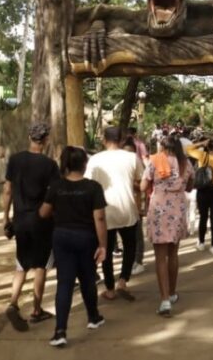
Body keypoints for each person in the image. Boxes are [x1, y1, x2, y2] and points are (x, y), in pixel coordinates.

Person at [40, 146, 108, 348]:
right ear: (84, 165)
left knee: (65, 283)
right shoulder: (93, 187)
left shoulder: (56, 187)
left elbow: (43, 212)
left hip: (61, 237)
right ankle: (93, 317)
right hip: (86, 237)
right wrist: (103, 244)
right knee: (88, 278)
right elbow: (100, 217)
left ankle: (60, 331)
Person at [2, 123, 60, 331]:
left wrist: (5, 218)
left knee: (21, 264)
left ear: (29, 137)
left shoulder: (15, 160)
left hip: (20, 220)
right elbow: (54, 194)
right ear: (45, 140)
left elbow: (7, 190)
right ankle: (36, 309)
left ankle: (13, 302)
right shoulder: (50, 165)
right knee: (41, 266)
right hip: (41, 221)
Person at [85, 126, 143, 301]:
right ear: (122, 140)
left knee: (106, 250)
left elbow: (88, 184)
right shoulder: (132, 157)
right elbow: (139, 182)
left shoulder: (95, 159)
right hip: (127, 209)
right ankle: (123, 281)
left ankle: (110, 288)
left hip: (103, 211)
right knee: (130, 246)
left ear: (104, 140)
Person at [141, 134, 193, 316]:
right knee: (173, 254)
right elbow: (189, 186)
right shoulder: (185, 163)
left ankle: (164, 300)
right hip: (177, 211)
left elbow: (142, 186)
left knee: (160, 257)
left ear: (162, 147)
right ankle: (171, 293)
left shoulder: (155, 161)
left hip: (158, 211)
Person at [123, 137, 147, 276]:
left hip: (135, 205)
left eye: (131, 152)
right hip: (121, 206)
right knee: (127, 238)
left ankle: (138, 261)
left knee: (137, 236)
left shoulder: (137, 163)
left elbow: (143, 186)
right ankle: (130, 261)